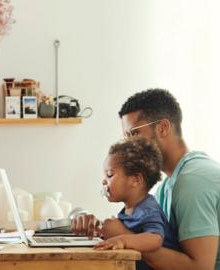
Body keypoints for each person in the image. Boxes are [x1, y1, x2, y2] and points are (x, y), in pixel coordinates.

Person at [71, 89, 220, 270]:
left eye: (133, 133)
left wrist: (123, 236)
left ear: (163, 128)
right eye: (125, 137)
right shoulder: (168, 185)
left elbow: (200, 268)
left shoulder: (193, 182)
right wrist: (102, 229)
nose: (128, 144)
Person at [93, 137, 179, 270]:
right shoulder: (129, 209)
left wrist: (122, 240)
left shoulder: (148, 209)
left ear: (136, 180)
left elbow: (155, 239)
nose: (104, 182)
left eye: (109, 175)